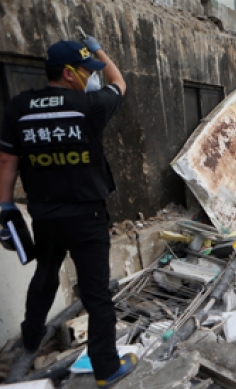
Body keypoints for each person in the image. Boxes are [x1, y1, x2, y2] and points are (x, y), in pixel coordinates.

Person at [0, 37, 136, 387]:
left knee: (43, 279)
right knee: (96, 295)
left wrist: (5, 206)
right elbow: (119, 83)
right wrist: (102, 51)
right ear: (68, 72)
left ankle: (31, 339)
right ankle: (106, 369)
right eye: (86, 70)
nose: (91, 76)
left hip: (45, 216)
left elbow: (7, 160)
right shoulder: (88, 105)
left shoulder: (19, 107)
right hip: (86, 218)